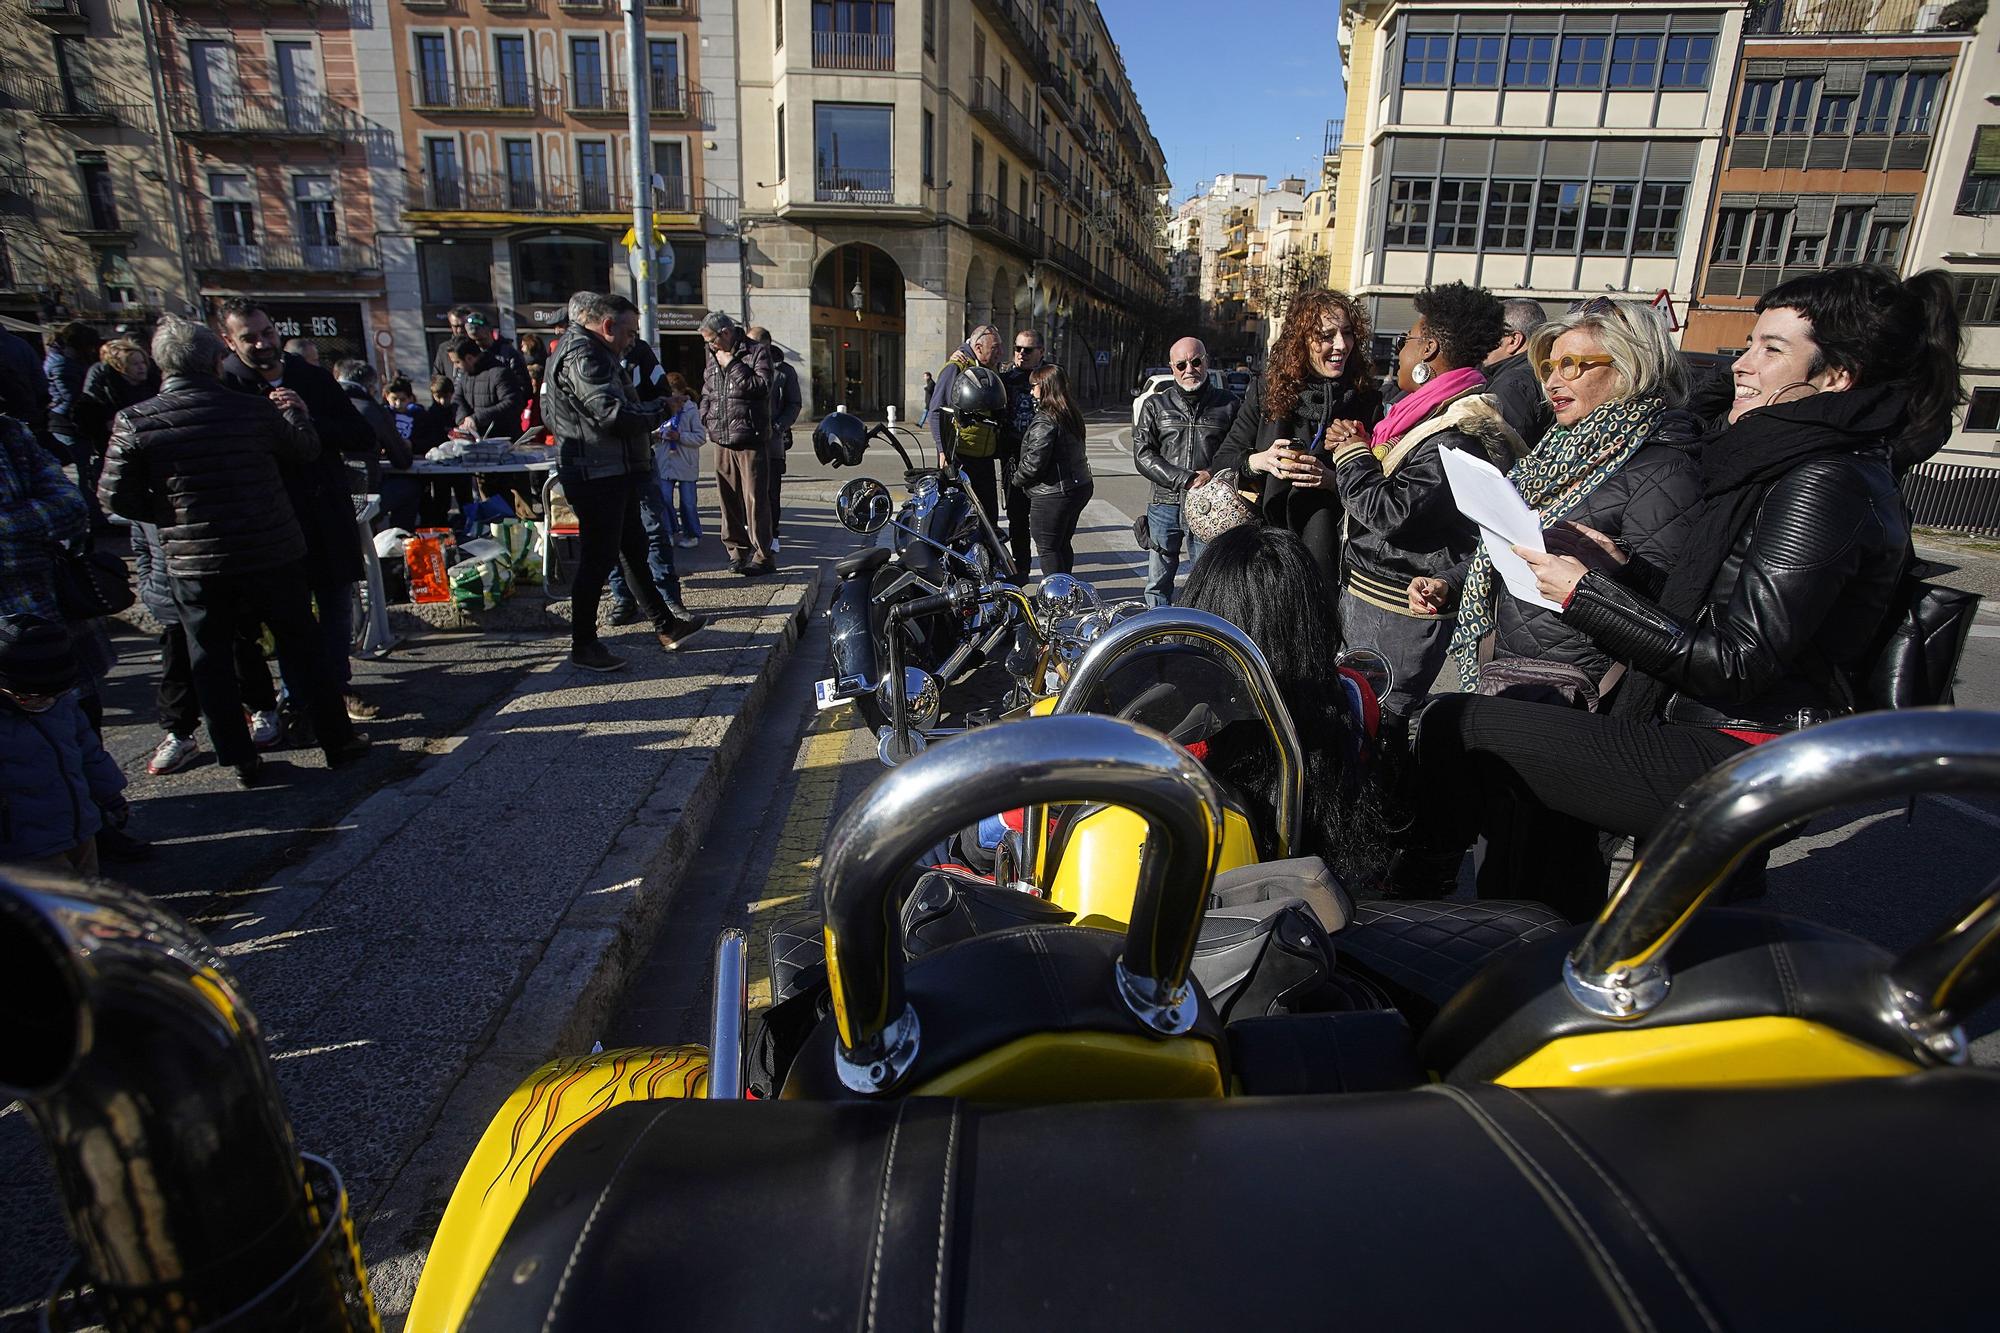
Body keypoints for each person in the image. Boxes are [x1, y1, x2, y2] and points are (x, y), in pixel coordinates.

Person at [1412, 265, 1958, 918]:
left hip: (1741, 751)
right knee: (1658, 923)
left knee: (1453, 727)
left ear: (1838, 377)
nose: (1742, 365)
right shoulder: (1776, 458)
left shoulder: (1825, 480)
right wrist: (1618, 574)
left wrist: (1587, 592)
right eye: (1750, 343)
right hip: (1706, 730)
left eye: (1772, 350)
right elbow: (1704, 600)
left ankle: (1409, 907)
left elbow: (1737, 662)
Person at [99, 316, 365, 785]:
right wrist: (296, 414)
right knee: (302, 647)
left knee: (211, 659)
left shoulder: (135, 421)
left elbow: (114, 497)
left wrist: (171, 514)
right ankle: (336, 741)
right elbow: (303, 449)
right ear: (218, 358)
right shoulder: (253, 411)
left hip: (197, 557)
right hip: (270, 548)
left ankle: (239, 757)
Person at [1324, 282, 1521, 720]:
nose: (1400, 352)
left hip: (1397, 614)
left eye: (1406, 341)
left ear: (1429, 349)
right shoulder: (1427, 413)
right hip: (1370, 602)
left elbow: (1391, 512)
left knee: (1377, 723)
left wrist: (1353, 454)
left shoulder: (1458, 432)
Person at [1179, 525, 1383, 886]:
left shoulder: (1181, 721)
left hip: (1197, 888)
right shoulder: (1354, 694)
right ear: (1312, 615)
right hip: (1318, 880)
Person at [218, 297, 381, 725]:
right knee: (287, 613)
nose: (261, 344)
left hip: (324, 511)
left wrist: (310, 419)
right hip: (267, 519)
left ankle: (337, 685)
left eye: (267, 333)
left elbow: (360, 434)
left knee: (334, 604)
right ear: (229, 341)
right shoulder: (226, 385)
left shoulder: (310, 377)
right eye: (248, 338)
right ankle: (296, 695)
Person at [544, 291, 705, 671]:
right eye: (630, 332)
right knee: (598, 559)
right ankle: (584, 644)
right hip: (597, 472)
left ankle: (667, 626)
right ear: (607, 325)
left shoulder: (591, 352)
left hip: (610, 469)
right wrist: (660, 408)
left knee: (633, 549)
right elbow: (611, 416)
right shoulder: (584, 356)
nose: (633, 340)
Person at [1209, 291, 1384, 595]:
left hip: (1333, 555)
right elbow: (1223, 460)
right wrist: (1261, 461)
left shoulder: (1367, 399)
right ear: (1302, 340)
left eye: (1347, 333)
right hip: (1268, 552)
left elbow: (1381, 483)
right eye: (1327, 336)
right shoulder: (1267, 391)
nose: (1341, 345)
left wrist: (1332, 480)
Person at [133, 517, 283, 773]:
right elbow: (139, 540)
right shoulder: (148, 486)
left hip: (225, 573)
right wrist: (149, 584)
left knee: (240, 650)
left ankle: (262, 710)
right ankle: (179, 733)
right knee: (178, 661)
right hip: (169, 584)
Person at [0, 613, 128, 876]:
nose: (44, 703)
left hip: (80, 827)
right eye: (31, 698)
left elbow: (89, 752)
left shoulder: (62, 705)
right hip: (24, 845)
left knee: (88, 887)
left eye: (54, 695)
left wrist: (111, 794)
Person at [1133, 335, 1239, 606]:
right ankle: (1157, 636)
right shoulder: (1155, 405)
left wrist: (1211, 474)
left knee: (1207, 579)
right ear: (1172, 368)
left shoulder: (1228, 404)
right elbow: (1143, 455)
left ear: (1206, 362)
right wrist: (1187, 479)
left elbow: (1241, 450)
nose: (1189, 369)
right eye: (1181, 365)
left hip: (1211, 506)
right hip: (1164, 503)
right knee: (1157, 582)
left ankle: (1200, 636)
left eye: (1195, 362)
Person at [698, 311, 779, 576]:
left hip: (750, 438)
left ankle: (763, 555)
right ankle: (736, 551)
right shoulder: (712, 357)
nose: (710, 346)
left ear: (725, 333)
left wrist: (732, 364)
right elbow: (707, 392)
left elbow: (762, 386)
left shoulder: (756, 352)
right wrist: (706, 418)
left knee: (755, 499)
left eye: (712, 340)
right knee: (727, 499)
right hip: (721, 438)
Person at [1017, 363, 1093, 577]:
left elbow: (1034, 463)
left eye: (1034, 386)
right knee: (1061, 544)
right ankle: (1066, 594)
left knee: (1048, 548)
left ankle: (1055, 602)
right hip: (1076, 486)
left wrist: (1016, 479)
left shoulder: (1046, 419)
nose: (1031, 391)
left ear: (1045, 386)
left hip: (1052, 493)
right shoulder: (1070, 413)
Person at [927, 324, 1005, 521]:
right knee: (962, 519)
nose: (1001, 353)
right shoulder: (956, 367)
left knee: (989, 517)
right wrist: (942, 450)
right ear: (978, 348)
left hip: (984, 458)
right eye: (995, 348)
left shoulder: (989, 368)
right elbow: (936, 410)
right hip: (961, 457)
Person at [336, 359, 417, 530]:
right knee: (409, 488)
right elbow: (402, 460)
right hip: (364, 493)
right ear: (371, 386)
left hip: (328, 491)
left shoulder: (319, 404)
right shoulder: (372, 410)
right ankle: (399, 543)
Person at [748, 327, 800, 554]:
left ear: (766, 345)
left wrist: (778, 426)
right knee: (747, 491)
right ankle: (750, 533)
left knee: (771, 492)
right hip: (745, 439)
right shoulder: (742, 365)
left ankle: (773, 534)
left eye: (754, 344)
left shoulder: (784, 371)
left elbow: (794, 404)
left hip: (772, 442)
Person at [997, 330, 1044, 576]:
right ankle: (1021, 569)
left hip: (1044, 461)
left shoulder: (1050, 378)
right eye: (1017, 348)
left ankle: (1054, 573)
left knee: (1043, 520)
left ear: (1041, 352)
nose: (1021, 354)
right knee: (1017, 517)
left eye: (1027, 349)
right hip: (1013, 459)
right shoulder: (1005, 378)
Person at [1481, 298, 1554, 450]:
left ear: (1514, 340)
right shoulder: (1548, 372)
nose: (1478, 342)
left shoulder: (1511, 385)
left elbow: (1502, 451)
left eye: (1487, 334)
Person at [44, 321, 99, 477]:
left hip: (67, 421)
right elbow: (71, 398)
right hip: (68, 424)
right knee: (82, 472)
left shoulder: (59, 359)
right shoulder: (63, 365)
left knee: (83, 471)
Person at [658, 371, 704, 547]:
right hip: (665, 461)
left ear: (681, 392)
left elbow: (700, 437)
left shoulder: (691, 410)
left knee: (688, 502)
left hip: (685, 461)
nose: (671, 397)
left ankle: (692, 534)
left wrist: (680, 436)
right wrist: (657, 435)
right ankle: (668, 531)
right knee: (663, 498)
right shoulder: (662, 409)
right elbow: (652, 430)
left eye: (673, 393)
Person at [451, 336, 528, 439]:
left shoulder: (499, 373)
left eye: (457, 362)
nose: (455, 366)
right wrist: (463, 419)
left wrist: (477, 418)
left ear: (469, 358)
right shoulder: (465, 376)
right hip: (477, 439)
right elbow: (457, 398)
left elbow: (512, 403)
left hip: (502, 440)